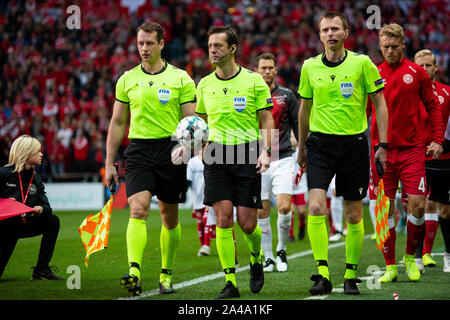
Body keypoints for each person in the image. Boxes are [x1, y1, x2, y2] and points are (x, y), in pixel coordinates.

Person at [297, 11, 389, 295]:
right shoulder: (309, 67)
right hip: (320, 145)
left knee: (353, 216)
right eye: (325, 30)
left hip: (354, 145)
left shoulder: (362, 63)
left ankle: (350, 275)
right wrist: (301, 147)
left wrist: (382, 145)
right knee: (315, 206)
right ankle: (322, 272)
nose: (330, 34)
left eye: (336, 29)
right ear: (320, 35)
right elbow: (304, 110)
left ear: (346, 32)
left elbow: (380, 105)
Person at [105, 21, 196, 296]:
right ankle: (134, 271)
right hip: (139, 151)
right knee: (138, 209)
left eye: (149, 43)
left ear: (161, 44)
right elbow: (118, 122)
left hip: (172, 150)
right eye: (140, 43)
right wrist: (110, 162)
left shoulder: (181, 78)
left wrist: (188, 148)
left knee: (169, 218)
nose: (144, 48)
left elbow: (191, 121)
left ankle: (166, 274)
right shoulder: (126, 79)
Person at [195, 25, 275, 299]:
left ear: (232, 49)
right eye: (209, 46)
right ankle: (230, 282)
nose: (212, 51)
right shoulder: (204, 84)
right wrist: (197, 145)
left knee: (247, 223)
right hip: (216, 155)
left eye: (218, 46)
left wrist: (267, 150)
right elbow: (201, 122)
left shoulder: (254, 81)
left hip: (247, 154)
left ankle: (256, 255)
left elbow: (266, 119)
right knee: (223, 218)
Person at [369, 24, 443, 283]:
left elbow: (433, 106)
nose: (389, 51)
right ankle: (389, 265)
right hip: (382, 153)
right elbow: (363, 113)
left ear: (402, 44)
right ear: (380, 47)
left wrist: (437, 140)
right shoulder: (373, 74)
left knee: (418, 206)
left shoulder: (416, 72)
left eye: (394, 46)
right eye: (385, 47)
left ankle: (410, 257)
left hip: (412, 151)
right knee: (384, 210)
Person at [254, 52, 299, 273]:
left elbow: (297, 123)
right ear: (256, 70)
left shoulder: (287, 96)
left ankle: (281, 249)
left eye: (270, 68)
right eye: (263, 68)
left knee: (283, 206)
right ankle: (269, 257)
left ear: (276, 71)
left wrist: (301, 146)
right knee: (261, 212)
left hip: (283, 158)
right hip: (257, 159)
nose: (267, 71)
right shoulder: (250, 95)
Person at [0, 135, 63, 280]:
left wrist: (40, 208)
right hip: (4, 229)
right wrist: (4, 203)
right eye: (37, 151)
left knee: (53, 220)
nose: (42, 154)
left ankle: (41, 270)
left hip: (24, 224)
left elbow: (47, 207)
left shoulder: (36, 178)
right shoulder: (3, 174)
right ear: (26, 153)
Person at [414, 49, 450, 270]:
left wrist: (442, 146)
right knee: (418, 207)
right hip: (414, 158)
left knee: (446, 210)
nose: (425, 69)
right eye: (421, 66)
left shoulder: (448, 93)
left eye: (429, 65)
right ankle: (417, 256)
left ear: (436, 67)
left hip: (443, 158)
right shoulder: (408, 93)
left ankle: (447, 254)